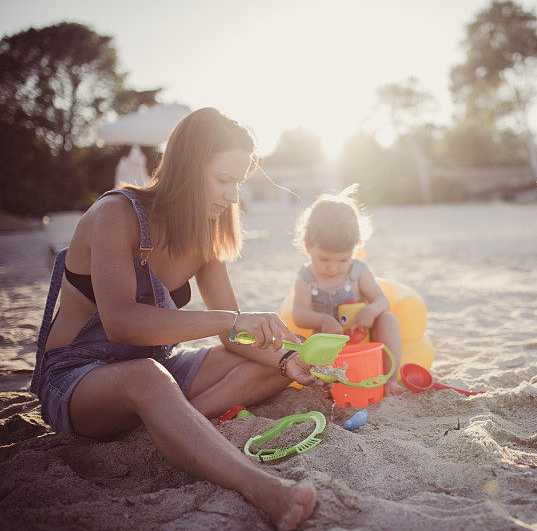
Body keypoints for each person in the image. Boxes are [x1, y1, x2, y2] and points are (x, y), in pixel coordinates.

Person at [30, 107, 318, 530]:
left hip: (157, 369)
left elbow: (234, 338)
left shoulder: (206, 229)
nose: (233, 196)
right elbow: (121, 323)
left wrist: (286, 359)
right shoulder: (116, 214)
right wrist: (229, 320)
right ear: (186, 168)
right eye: (224, 180)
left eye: (238, 182)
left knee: (277, 363)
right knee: (147, 375)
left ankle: (179, 421)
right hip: (76, 378)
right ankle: (260, 487)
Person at [291, 186, 404, 396]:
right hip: (331, 347)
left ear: (356, 247)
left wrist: (370, 311)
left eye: (343, 260)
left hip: (364, 338)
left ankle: (390, 379)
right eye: (324, 260)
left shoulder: (358, 270)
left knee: (388, 318)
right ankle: (325, 384)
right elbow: (298, 314)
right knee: (302, 340)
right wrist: (321, 320)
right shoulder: (306, 278)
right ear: (308, 246)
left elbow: (381, 299)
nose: (333, 268)